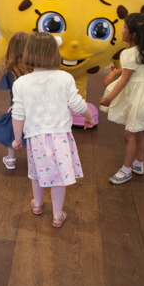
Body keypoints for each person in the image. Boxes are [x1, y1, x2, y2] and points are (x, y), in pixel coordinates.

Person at [11, 33, 95, 228]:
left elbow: (18, 114)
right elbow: (77, 103)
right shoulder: (65, 78)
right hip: (61, 137)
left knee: (37, 172)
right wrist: (89, 117)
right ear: (55, 54)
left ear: (28, 53)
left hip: (35, 136)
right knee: (58, 177)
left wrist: (17, 139)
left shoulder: (21, 83)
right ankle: (57, 216)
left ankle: (37, 205)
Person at [99, 13, 144, 185]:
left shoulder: (129, 53)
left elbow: (124, 80)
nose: (122, 30)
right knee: (141, 131)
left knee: (129, 134)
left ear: (134, 34)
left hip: (138, 97)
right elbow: (130, 71)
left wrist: (109, 98)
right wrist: (116, 72)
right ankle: (139, 164)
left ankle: (126, 170)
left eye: (124, 27)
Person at [0, 32, 32, 169]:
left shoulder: (9, 70)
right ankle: (35, 161)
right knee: (33, 136)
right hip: (34, 111)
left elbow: (9, 90)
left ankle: (11, 160)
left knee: (11, 134)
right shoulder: (35, 69)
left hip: (16, 111)